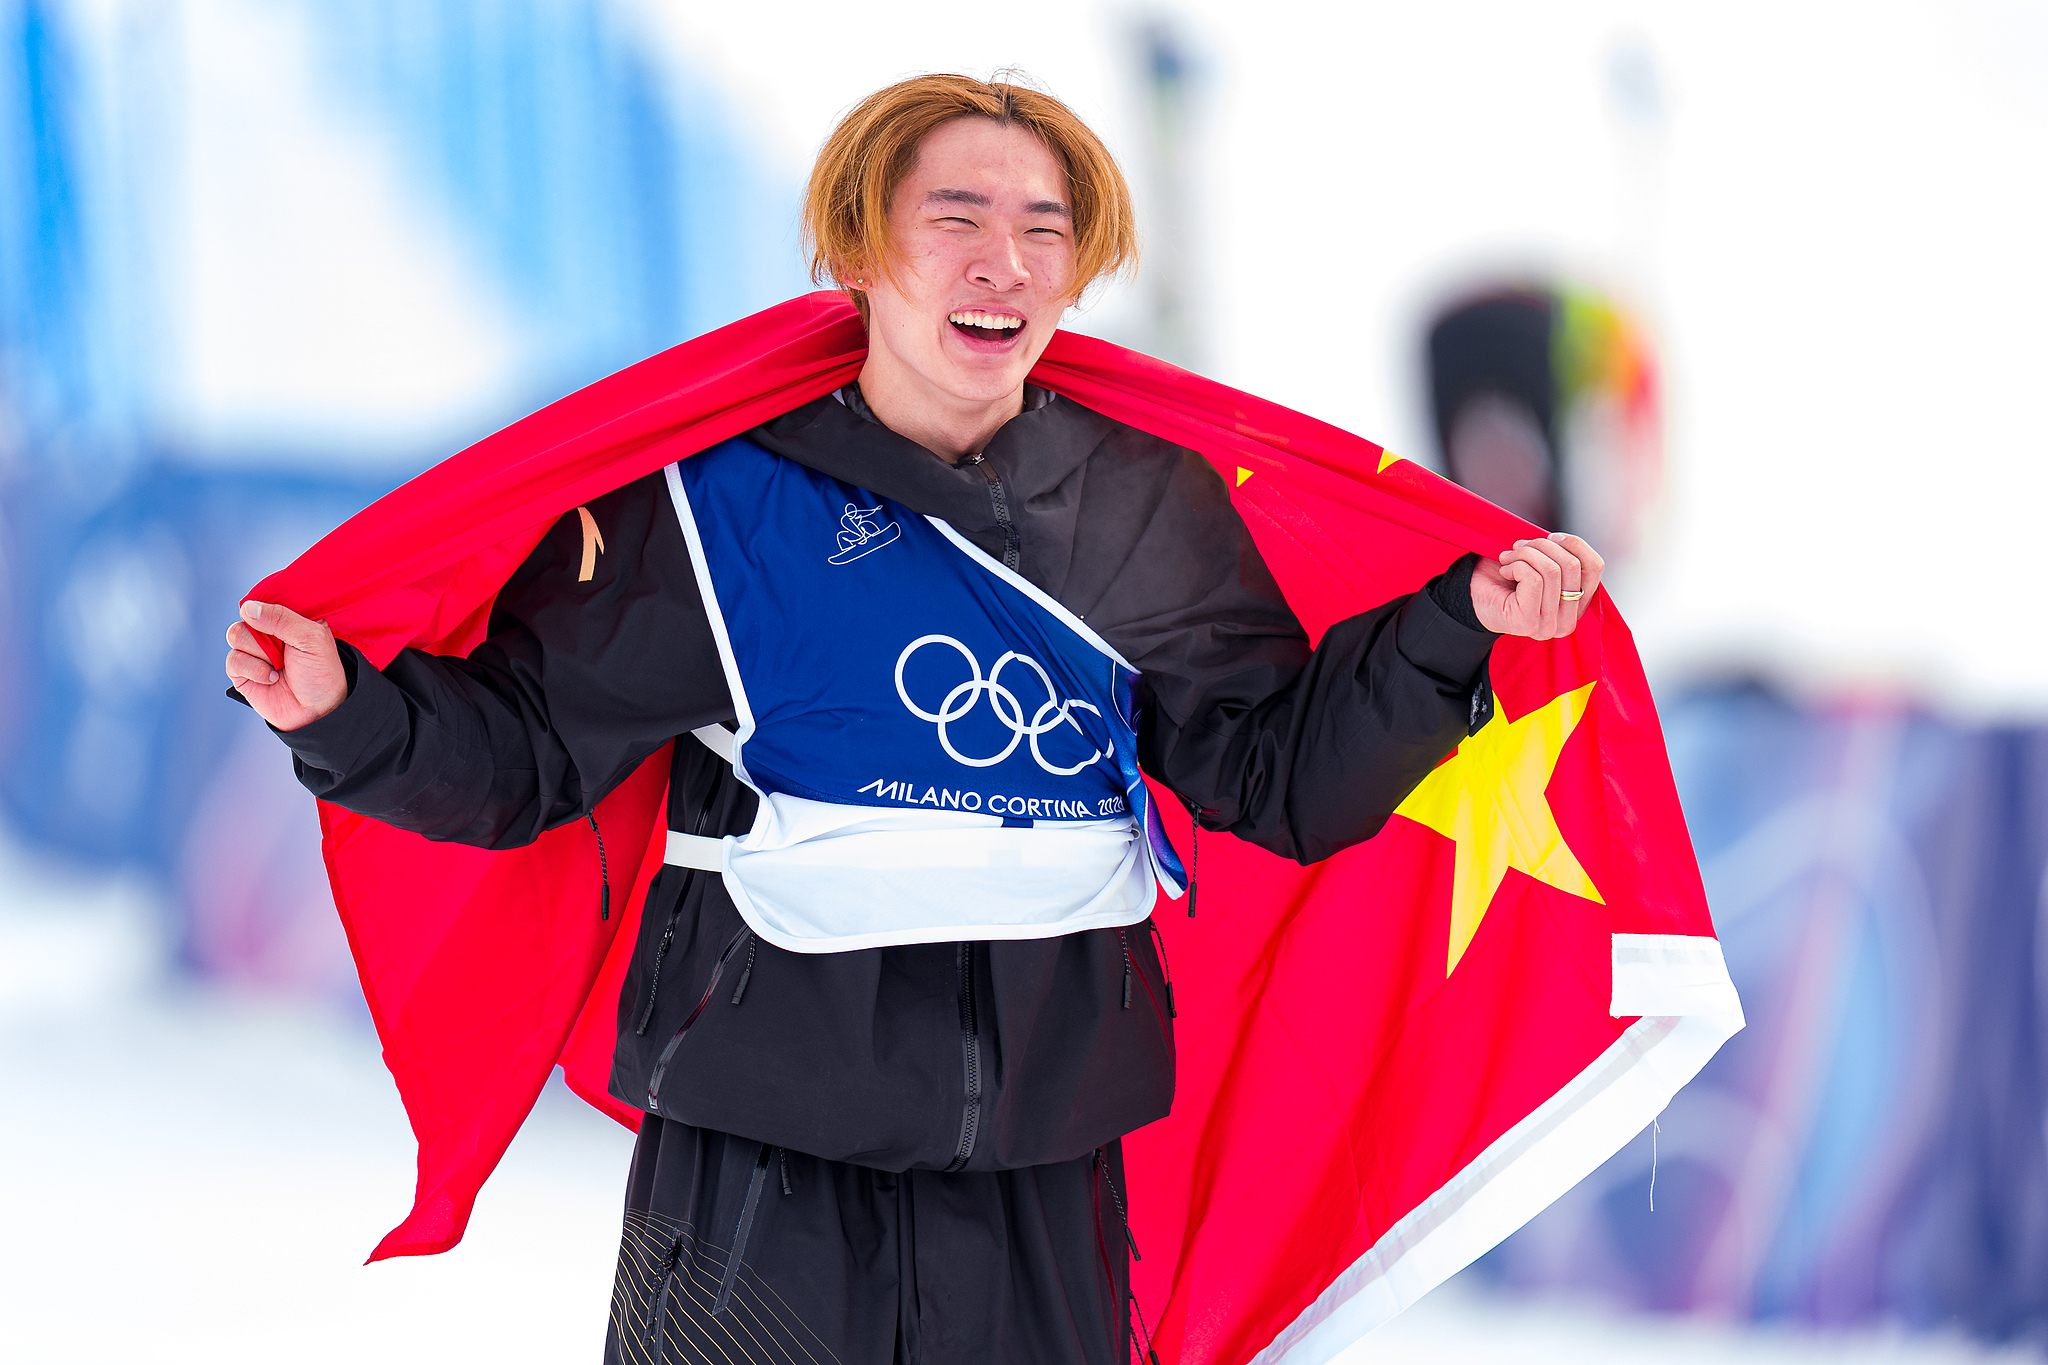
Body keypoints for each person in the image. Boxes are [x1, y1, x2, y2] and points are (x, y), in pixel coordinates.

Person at [224, 74, 1603, 1365]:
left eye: (1044, 228)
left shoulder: (1142, 509)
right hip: (761, 1182)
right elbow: (524, 758)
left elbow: (1277, 775)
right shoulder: (723, 514)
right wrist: (346, 713)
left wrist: (1451, 631)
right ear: (861, 252)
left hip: (1047, 1186)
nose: (1003, 260)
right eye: (957, 219)